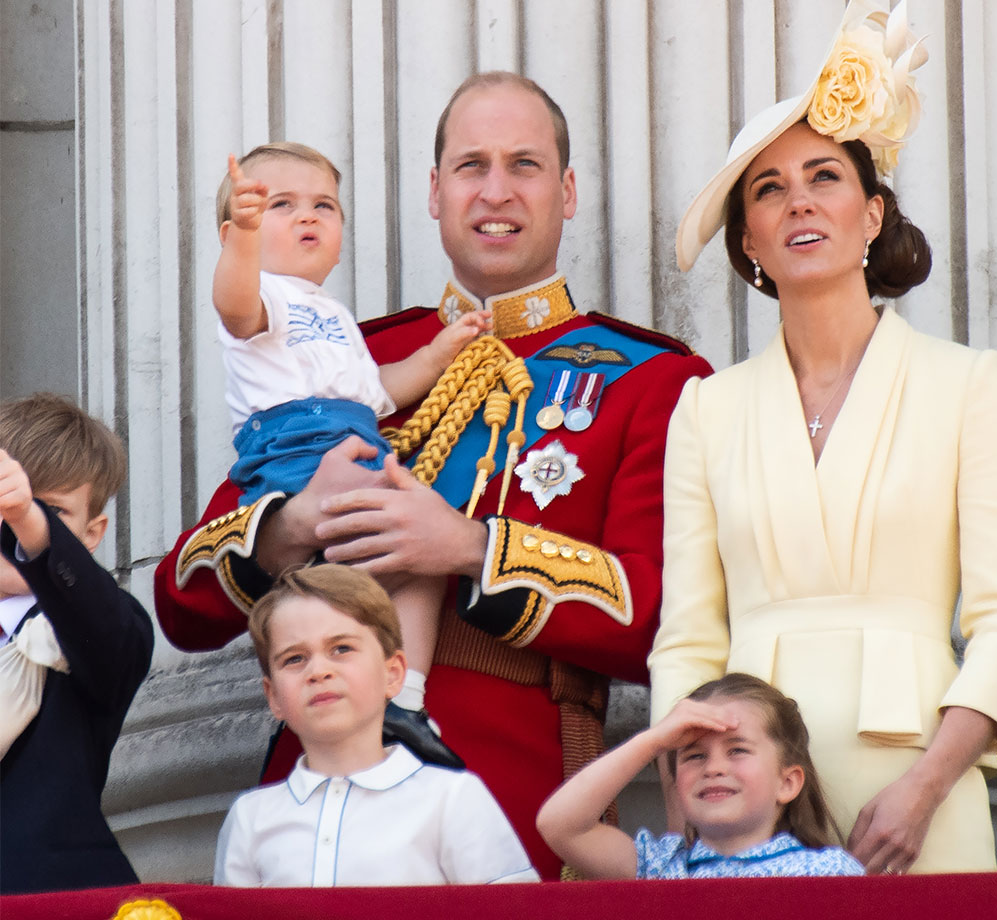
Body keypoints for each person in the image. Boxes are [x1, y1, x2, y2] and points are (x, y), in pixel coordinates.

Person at [155, 72, 713, 879]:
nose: (496, 191)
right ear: (433, 191)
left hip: (512, 787)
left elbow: (659, 618)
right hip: (320, 785)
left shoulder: (651, 379)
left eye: (524, 165)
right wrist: (290, 527)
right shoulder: (350, 355)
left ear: (567, 191)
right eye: (470, 166)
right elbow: (184, 601)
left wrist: (472, 549)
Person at [648, 1, 997, 875]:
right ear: (748, 241)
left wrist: (929, 786)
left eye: (824, 176)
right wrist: (689, 809)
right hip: (741, 807)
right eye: (769, 187)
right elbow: (687, 638)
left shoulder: (966, 383)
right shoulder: (705, 410)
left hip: (919, 787)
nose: (799, 202)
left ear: (872, 214)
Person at [214, 142, 492, 768]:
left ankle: (406, 703)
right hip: (294, 447)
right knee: (350, 577)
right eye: (281, 204)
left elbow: (381, 391)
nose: (308, 216)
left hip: (356, 439)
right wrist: (244, 239)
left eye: (324, 206)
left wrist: (440, 352)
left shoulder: (335, 316)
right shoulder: (262, 294)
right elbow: (233, 305)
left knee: (421, 557)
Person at [214, 564, 537, 886]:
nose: (318, 670)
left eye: (341, 649)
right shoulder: (251, 818)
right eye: (295, 658)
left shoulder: (451, 798)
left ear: (393, 674)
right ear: (274, 698)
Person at [0, 394, 154, 893]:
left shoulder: (103, 623)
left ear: (91, 534)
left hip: (46, 893)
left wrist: (31, 522)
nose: (11, 526)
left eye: (54, 509)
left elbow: (105, 629)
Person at [537, 673, 863, 879]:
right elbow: (560, 825)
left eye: (737, 750)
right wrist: (653, 741)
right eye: (694, 755)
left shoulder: (829, 874)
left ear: (787, 782)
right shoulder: (659, 867)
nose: (714, 768)